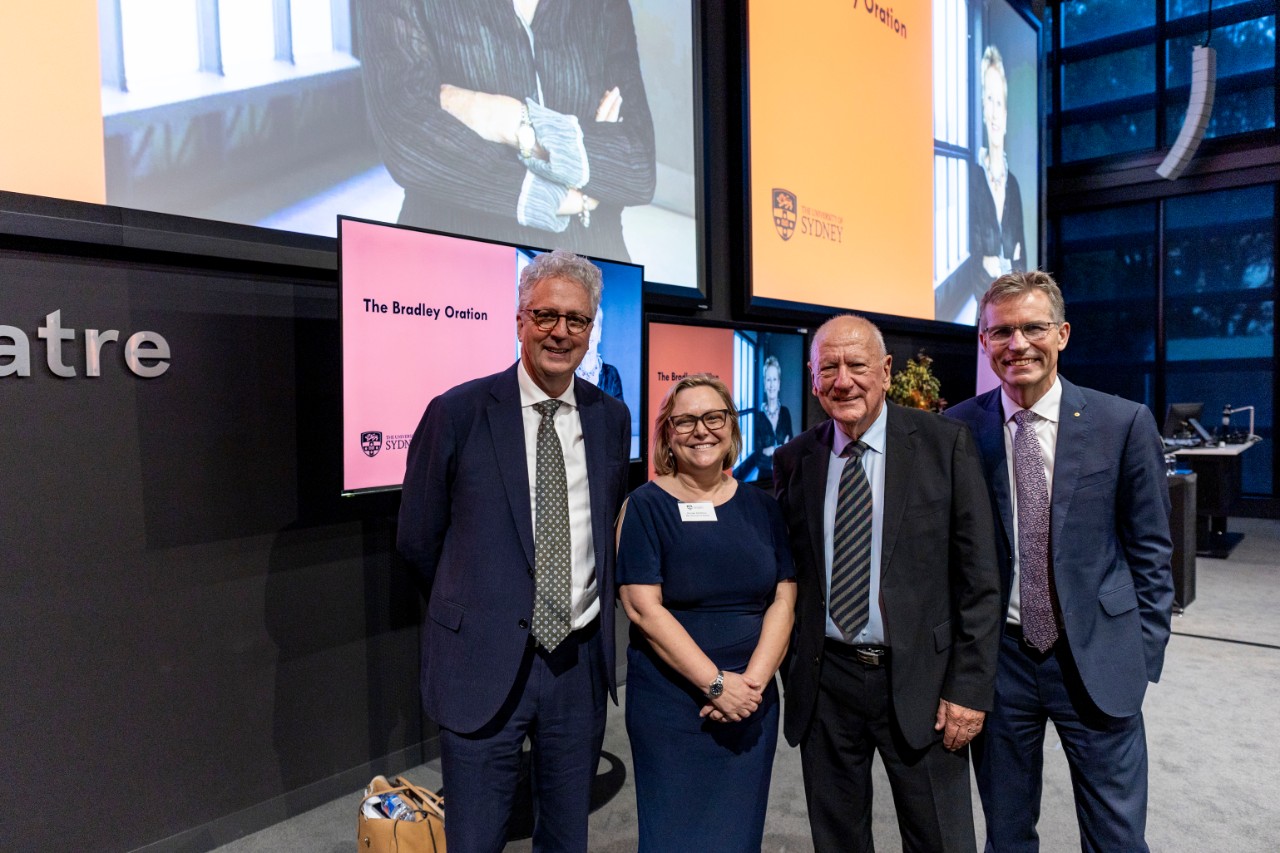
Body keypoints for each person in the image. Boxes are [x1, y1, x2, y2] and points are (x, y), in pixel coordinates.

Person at [397, 249, 631, 852]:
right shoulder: (457, 412)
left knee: (565, 836)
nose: (561, 331)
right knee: (475, 839)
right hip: (483, 663)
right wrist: (482, 610)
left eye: (576, 320)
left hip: (577, 667)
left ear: (591, 328)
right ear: (519, 319)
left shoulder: (611, 419)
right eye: (546, 315)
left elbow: (601, 529)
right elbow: (419, 540)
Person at [946, 271, 1174, 852]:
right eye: (1001, 332)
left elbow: (1151, 551)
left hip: (1097, 654)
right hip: (1002, 665)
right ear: (983, 342)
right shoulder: (957, 430)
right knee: (1008, 832)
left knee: (1117, 837)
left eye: (1032, 328)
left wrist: (1141, 651)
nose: (1017, 344)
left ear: (1063, 334)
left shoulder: (1122, 423)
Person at [773, 314, 1002, 853]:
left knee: (940, 840)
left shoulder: (945, 444)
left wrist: (968, 689)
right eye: (828, 366)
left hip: (923, 682)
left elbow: (980, 580)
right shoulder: (794, 459)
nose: (843, 379)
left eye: (857, 365)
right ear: (812, 378)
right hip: (827, 682)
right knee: (838, 840)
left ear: (886, 371)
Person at [616, 374, 796, 851]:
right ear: (667, 435)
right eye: (686, 421)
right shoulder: (645, 507)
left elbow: (784, 597)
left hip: (752, 703)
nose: (701, 430)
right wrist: (717, 684)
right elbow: (643, 610)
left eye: (713, 417)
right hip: (674, 705)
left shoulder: (763, 506)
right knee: (674, 835)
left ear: (732, 428)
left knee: (739, 835)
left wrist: (751, 686)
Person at [359, 0, 656, 262]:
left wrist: (510, 119)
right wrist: (571, 190)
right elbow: (410, 145)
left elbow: (638, 166)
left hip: (594, 276)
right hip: (452, 275)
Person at [972, 45, 1027, 290]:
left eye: (999, 102)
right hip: (982, 315)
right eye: (989, 100)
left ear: (1006, 112)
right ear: (983, 109)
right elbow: (974, 264)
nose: (994, 113)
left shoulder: (1013, 185)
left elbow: (1022, 264)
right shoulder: (972, 180)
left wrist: (998, 264)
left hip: (1011, 315)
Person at [734, 354, 794, 482]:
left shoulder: (785, 413)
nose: (771, 384)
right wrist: (781, 447)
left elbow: (791, 451)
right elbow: (758, 459)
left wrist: (771, 450)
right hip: (763, 480)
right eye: (768, 380)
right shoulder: (758, 418)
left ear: (779, 383)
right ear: (764, 384)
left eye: (774, 379)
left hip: (786, 479)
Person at [575, 303, 624, 403]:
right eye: (584, 325)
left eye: (593, 326)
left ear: (600, 333)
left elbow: (620, 416)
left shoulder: (611, 375)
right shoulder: (567, 372)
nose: (589, 333)